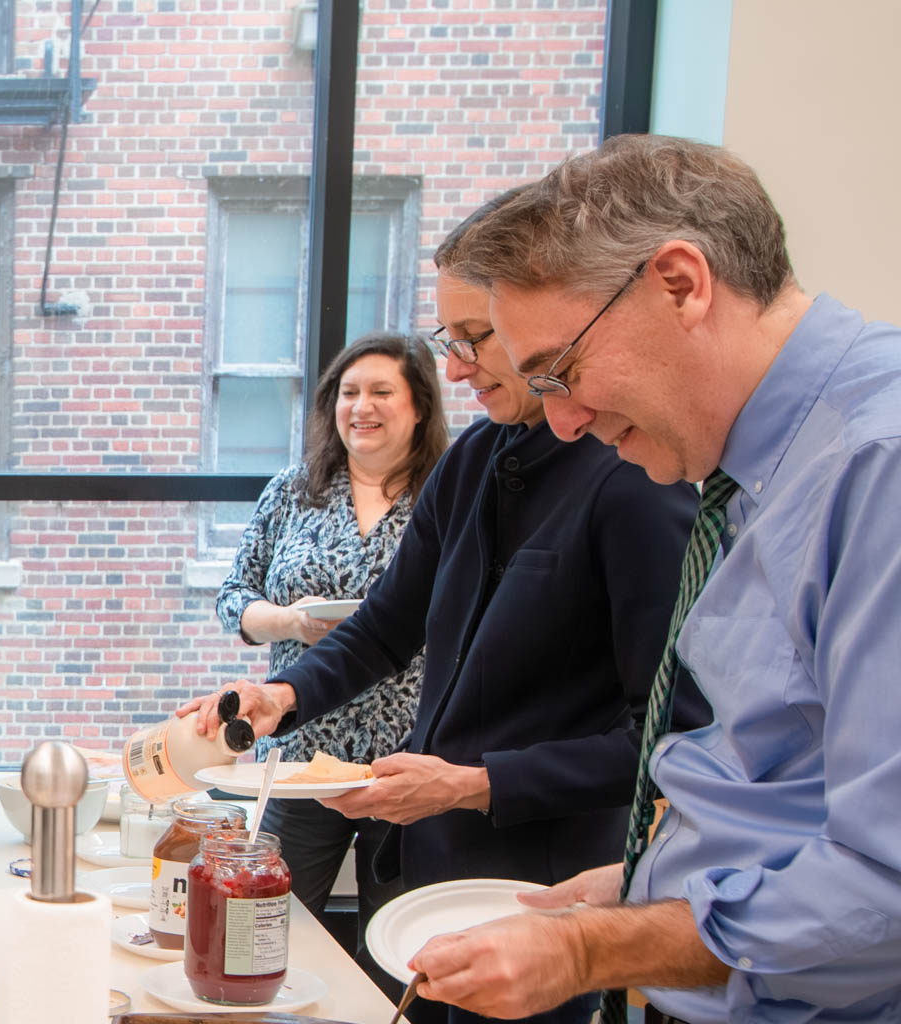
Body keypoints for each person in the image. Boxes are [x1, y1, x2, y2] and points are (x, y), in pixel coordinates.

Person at [179, 190, 709, 1024]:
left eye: (475, 340)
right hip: (433, 869)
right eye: (449, 341)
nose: (455, 369)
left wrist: (471, 784)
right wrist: (283, 696)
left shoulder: (631, 480)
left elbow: (664, 740)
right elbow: (386, 626)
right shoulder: (475, 459)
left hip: (545, 887)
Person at [406, 136, 901, 1024]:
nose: (560, 422)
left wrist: (596, 948)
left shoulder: (878, 469)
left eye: (561, 371)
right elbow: (782, 778)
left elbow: (886, 889)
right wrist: (650, 883)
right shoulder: (751, 472)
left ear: (681, 283)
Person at [214, 331, 446, 938]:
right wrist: (291, 621)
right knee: (268, 926)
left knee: (402, 939)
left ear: (419, 406)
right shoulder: (296, 489)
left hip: (410, 759)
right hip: (300, 752)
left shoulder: (447, 496)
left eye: (380, 392)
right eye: (348, 392)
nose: (361, 407)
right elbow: (234, 597)